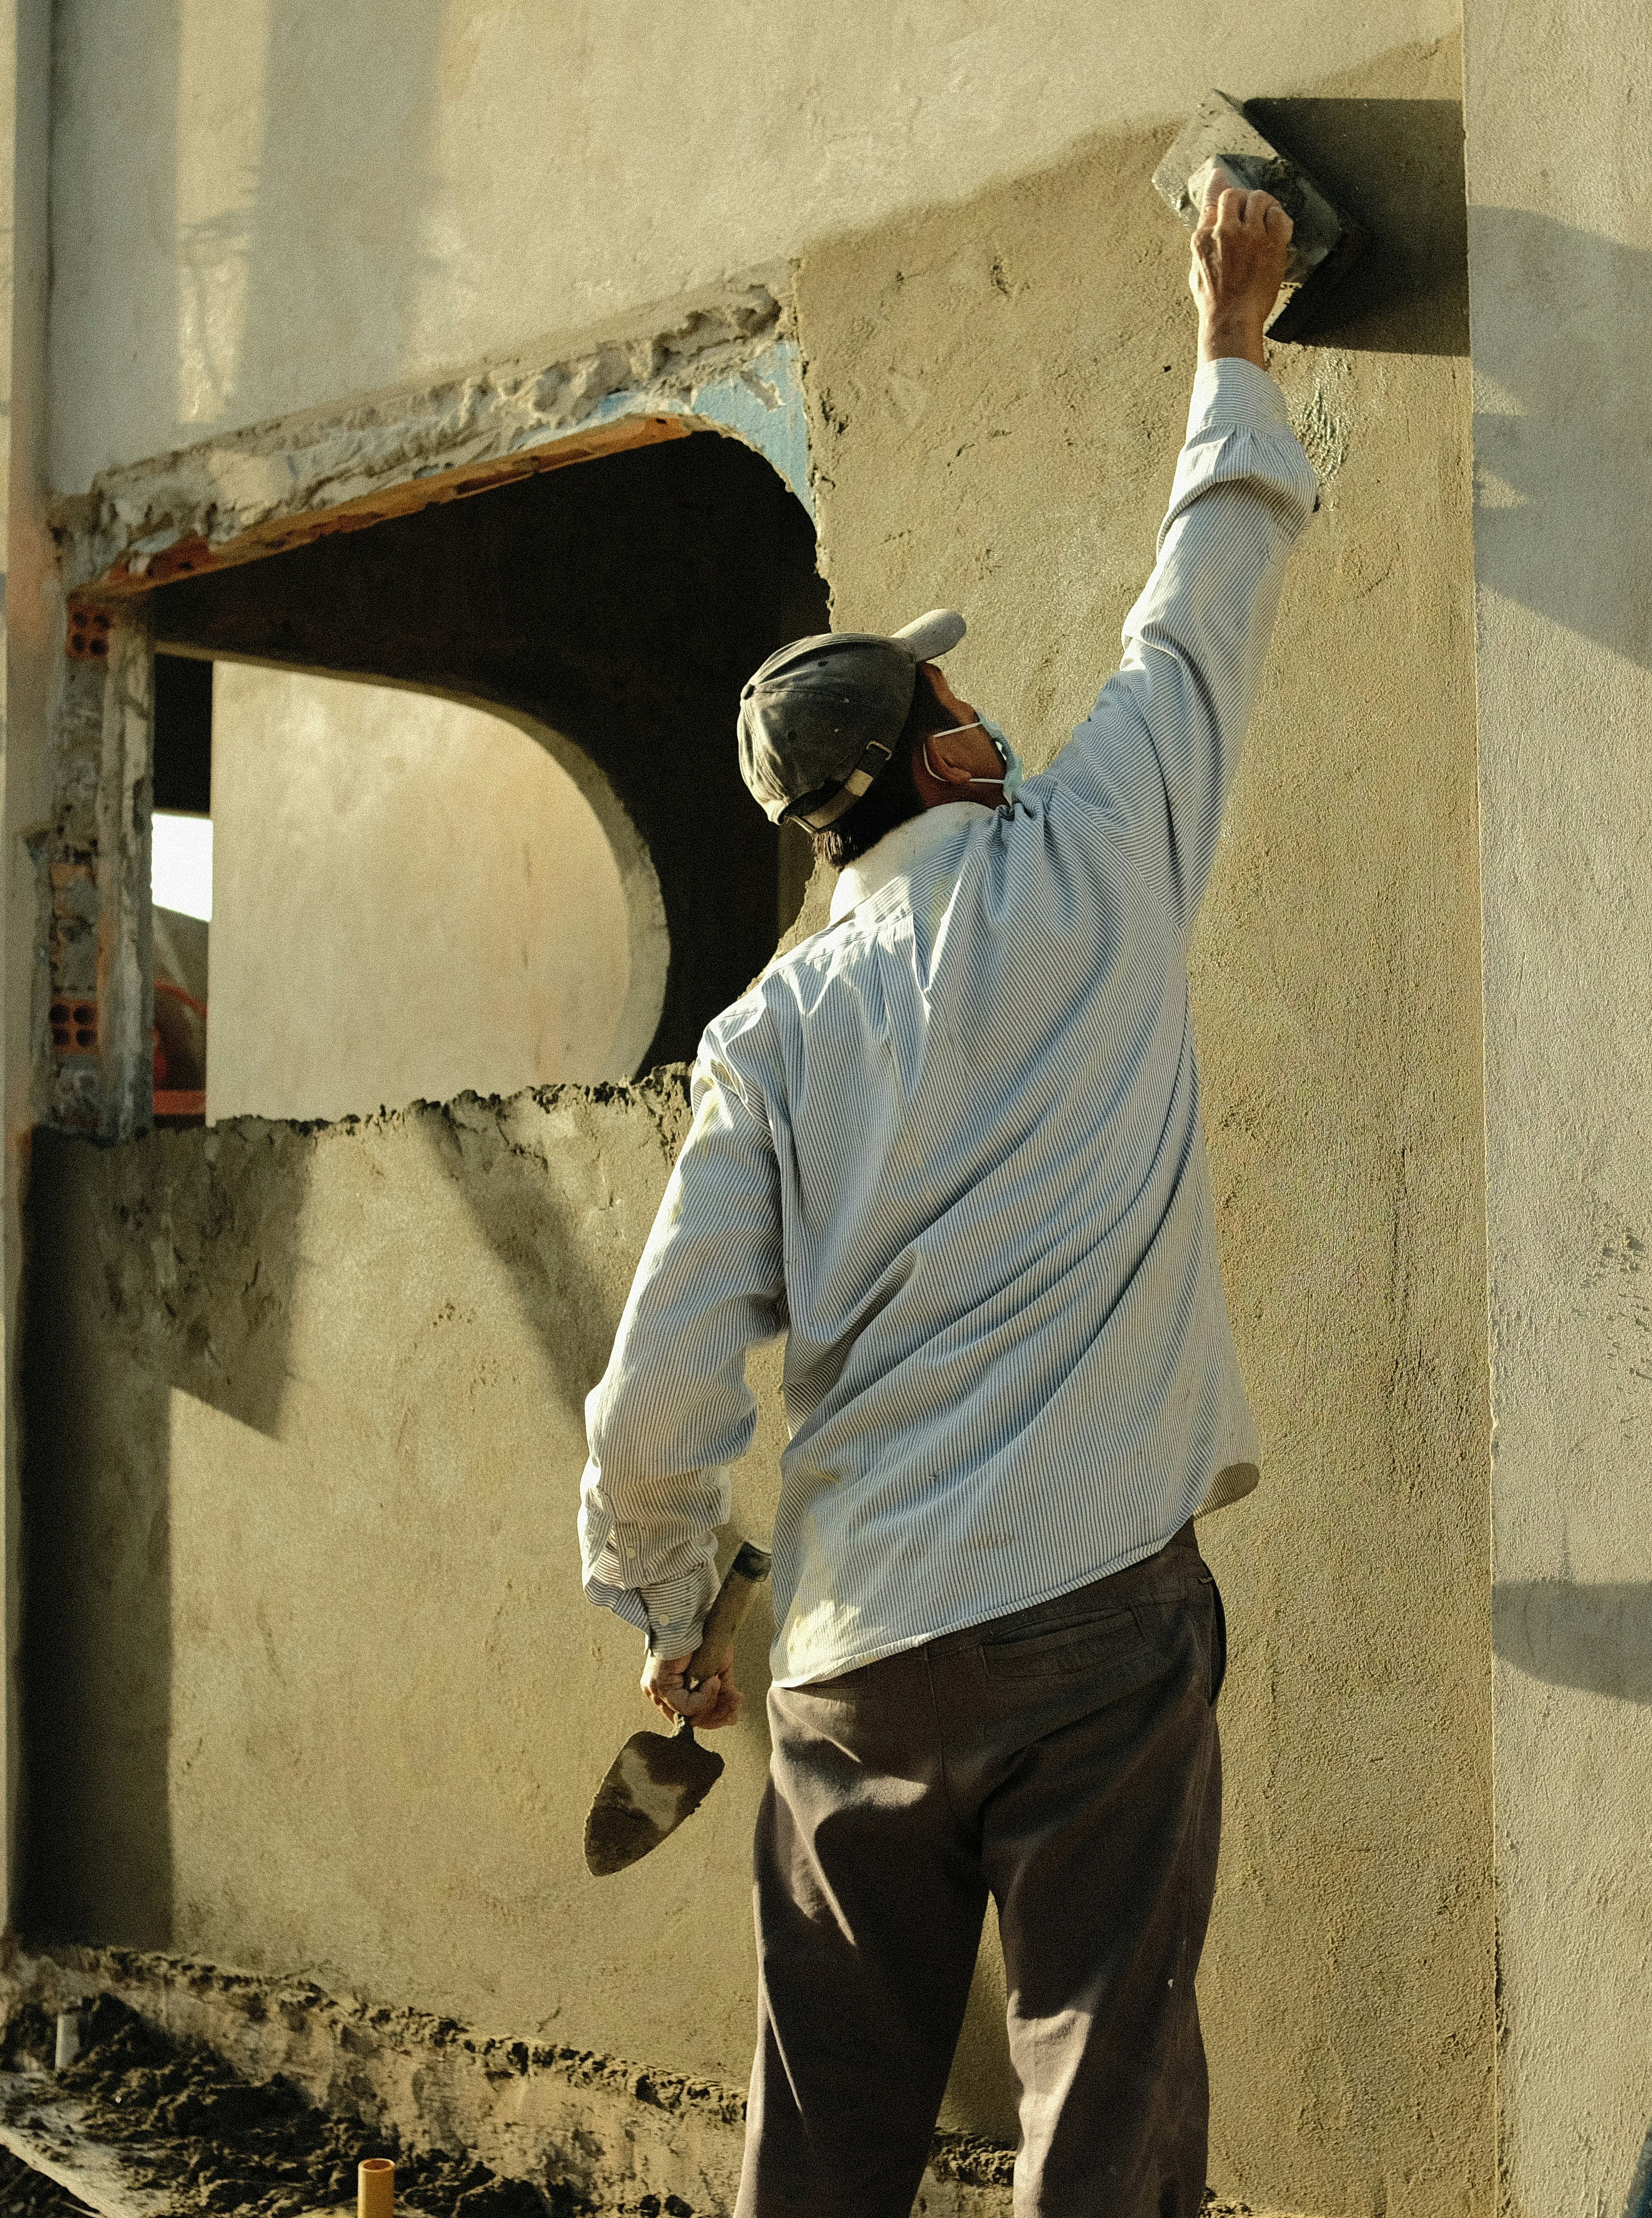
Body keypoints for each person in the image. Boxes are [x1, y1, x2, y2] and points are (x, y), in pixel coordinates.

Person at [575, 177, 1314, 2216]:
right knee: (1107, 2106)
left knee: (820, 2147)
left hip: (850, 1663)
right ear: (948, 758)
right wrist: (1230, 333)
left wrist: (668, 1602)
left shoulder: (768, 1038)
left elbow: (654, 1400)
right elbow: (1206, 596)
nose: (990, 717)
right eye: (963, 703)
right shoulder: (1093, 863)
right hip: (1095, 1627)